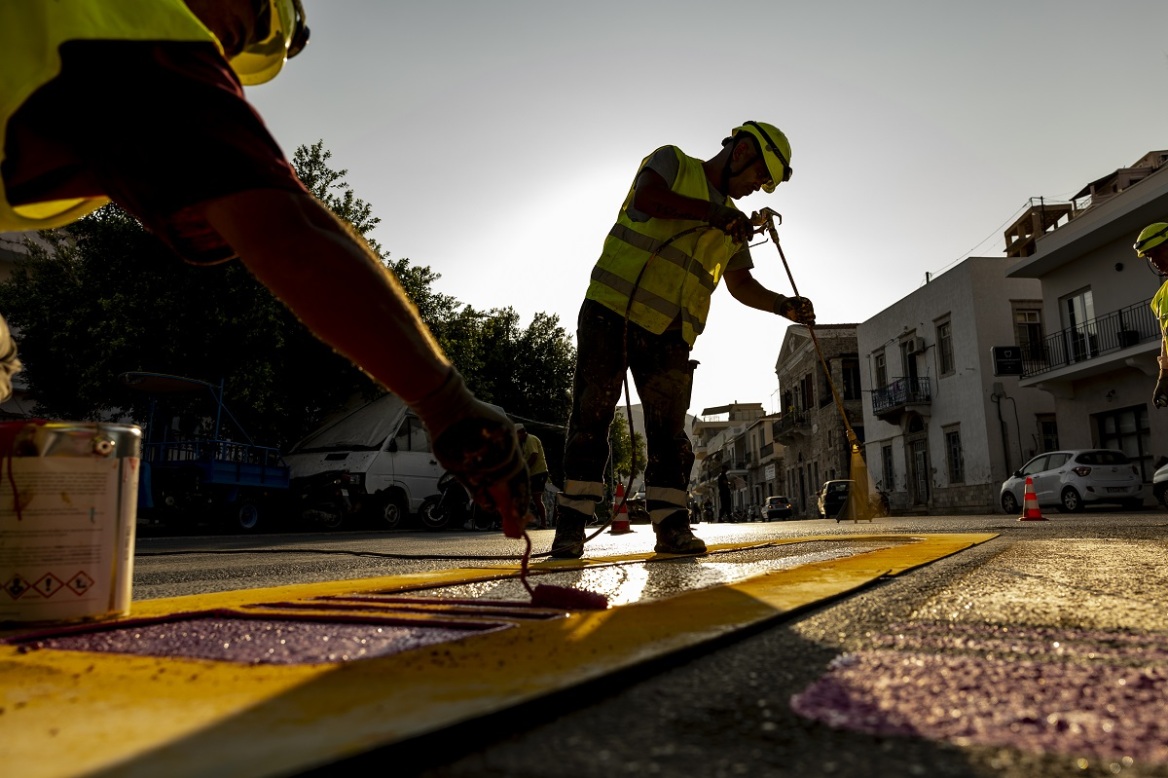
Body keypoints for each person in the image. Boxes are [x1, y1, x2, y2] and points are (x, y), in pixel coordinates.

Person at [0, 1, 530, 535]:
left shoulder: (76, 59)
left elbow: (244, 222)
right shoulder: (131, 23)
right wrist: (448, 405)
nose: (229, 43)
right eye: (249, 13)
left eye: (242, 42)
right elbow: (292, 235)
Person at [552, 122, 815, 558]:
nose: (756, 189)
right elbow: (648, 199)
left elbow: (740, 283)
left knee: (669, 435)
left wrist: (783, 306)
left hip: (670, 333)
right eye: (757, 177)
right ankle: (570, 527)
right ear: (742, 151)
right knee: (591, 417)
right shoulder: (673, 163)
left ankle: (672, 528)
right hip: (610, 310)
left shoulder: (731, 223)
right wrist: (712, 214)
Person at [1135, 222, 1168, 409]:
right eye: (1149, 256)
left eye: (1157, 252)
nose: (1154, 261)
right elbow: (1166, 339)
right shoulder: (1161, 297)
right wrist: (1163, 376)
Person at [516, 423, 549, 529]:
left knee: (537, 498)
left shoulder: (531, 439)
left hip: (539, 473)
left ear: (520, 433)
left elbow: (534, 456)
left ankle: (544, 523)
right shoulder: (525, 443)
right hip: (533, 474)